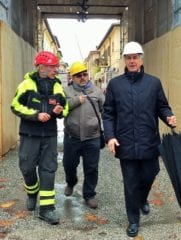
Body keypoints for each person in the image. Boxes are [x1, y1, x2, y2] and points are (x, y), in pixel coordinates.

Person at [102, 41, 177, 237]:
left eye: (135, 57)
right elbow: (108, 114)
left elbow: (162, 107)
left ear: (141, 59)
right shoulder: (115, 85)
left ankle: (142, 198)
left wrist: (169, 117)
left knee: (151, 172)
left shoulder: (153, 83)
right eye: (129, 57)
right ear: (125, 60)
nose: (132, 61)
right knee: (131, 183)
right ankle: (133, 220)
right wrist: (110, 137)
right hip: (125, 143)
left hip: (149, 141)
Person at [10, 51, 68, 225]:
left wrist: (59, 111)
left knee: (48, 170)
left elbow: (64, 108)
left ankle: (47, 209)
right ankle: (32, 191)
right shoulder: (26, 84)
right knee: (27, 168)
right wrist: (36, 115)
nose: (55, 70)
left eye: (56, 67)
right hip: (29, 136)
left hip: (49, 136)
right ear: (41, 67)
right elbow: (15, 106)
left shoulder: (57, 86)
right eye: (52, 67)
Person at [62, 61, 104, 209]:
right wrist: (74, 101)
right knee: (69, 165)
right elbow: (60, 111)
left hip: (92, 137)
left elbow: (105, 111)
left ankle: (89, 194)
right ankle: (71, 182)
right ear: (72, 77)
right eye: (78, 75)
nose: (82, 77)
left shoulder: (97, 92)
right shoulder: (65, 92)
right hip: (71, 137)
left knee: (91, 167)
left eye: (85, 74)